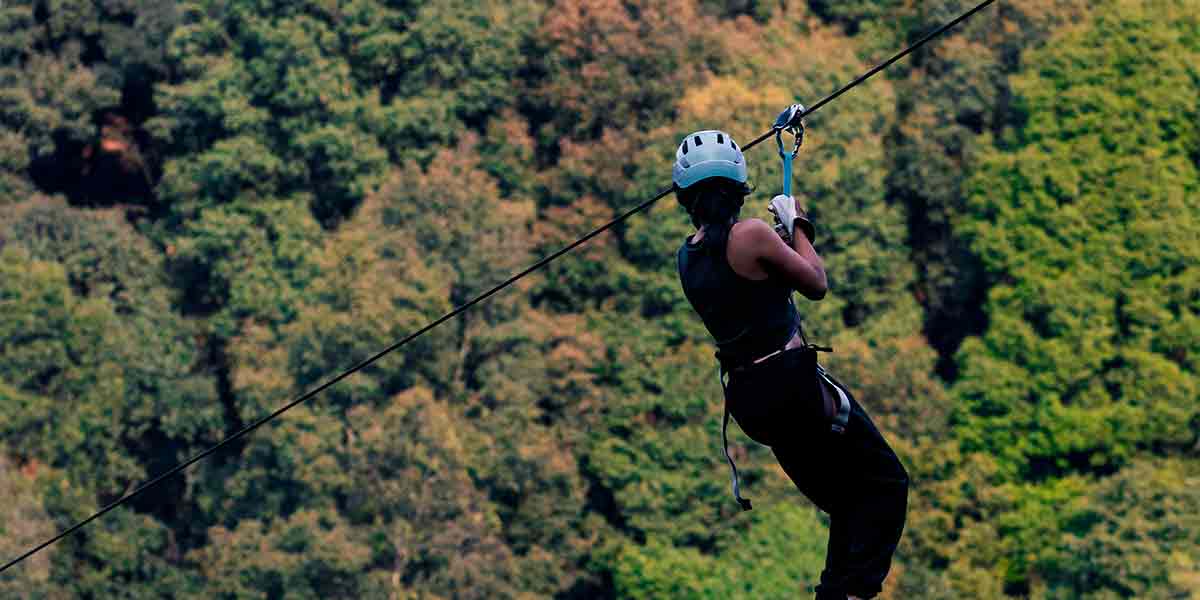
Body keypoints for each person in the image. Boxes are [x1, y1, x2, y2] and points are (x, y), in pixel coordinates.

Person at [672, 130, 910, 600]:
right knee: (886, 483)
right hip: (794, 389)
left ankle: (835, 594)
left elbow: (748, 287)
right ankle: (855, 592)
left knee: (845, 501)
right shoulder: (752, 235)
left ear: (686, 200)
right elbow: (816, 283)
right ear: (739, 188)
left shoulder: (688, 257)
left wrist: (781, 244)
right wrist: (798, 224)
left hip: (752, 403)